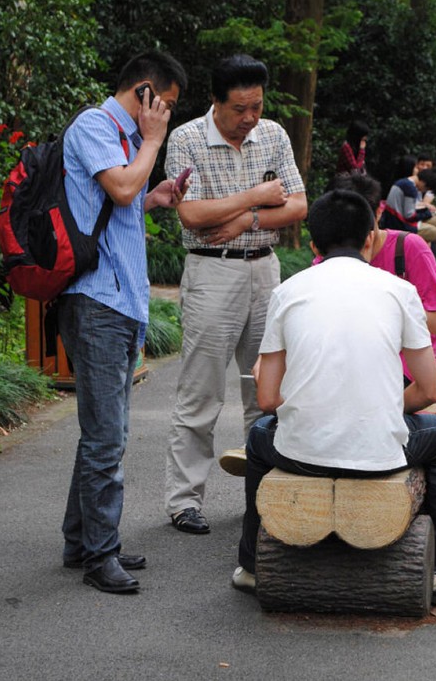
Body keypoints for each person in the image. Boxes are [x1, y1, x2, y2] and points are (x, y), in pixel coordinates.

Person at [232, 189, 436, 594]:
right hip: (381, 457)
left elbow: (267, 399)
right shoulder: (399, 291)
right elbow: (428, 389)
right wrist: (387, 410)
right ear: (371, 238)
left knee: (257, 436)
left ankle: (251, 565)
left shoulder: (288, 291)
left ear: (313, 245)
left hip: (300, 456)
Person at [57, 51, 188, 593]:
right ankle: (99, 556)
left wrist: (154, 198)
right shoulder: (95, 125)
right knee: (107, 437)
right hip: (97, 303)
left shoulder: (123, 139)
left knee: (102, 432)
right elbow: (120, 189)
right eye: (167, 105)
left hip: (116, 304)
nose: (168, 117)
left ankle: (81, 541)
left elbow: (123, 200)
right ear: (144, 94)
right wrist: (152, 146)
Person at [164, 54, 307, 534]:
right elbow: (193, 215)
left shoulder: (274, 135)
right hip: (211, 274)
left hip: (265, 270)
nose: (250, 118)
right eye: (240, 108)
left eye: (257, 106)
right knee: (200, 392)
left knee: (267, 389)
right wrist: (258, 197)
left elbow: (299, 205)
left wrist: (245, 218)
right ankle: (184, 501)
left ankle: (264, 493)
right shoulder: (186, 139)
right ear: (216, 102)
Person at [327, 170, 436, 367]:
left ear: (379, 212)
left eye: (362, 224)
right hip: (348, 361)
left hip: (404, 366)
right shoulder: (330, 251)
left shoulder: (411, 248)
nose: (356, 235)